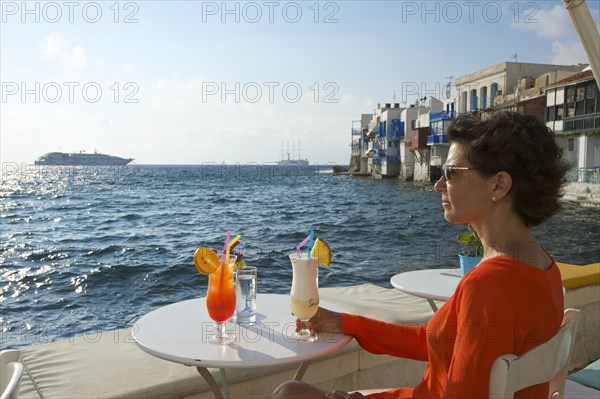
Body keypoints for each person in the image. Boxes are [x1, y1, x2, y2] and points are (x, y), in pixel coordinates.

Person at [272, 111, 570, 399]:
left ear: (499, 184)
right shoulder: (543, 266)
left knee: (288, 393)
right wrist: (344, 323)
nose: (438, 185)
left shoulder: (487, 285)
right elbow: (435, 339)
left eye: (451, 173)